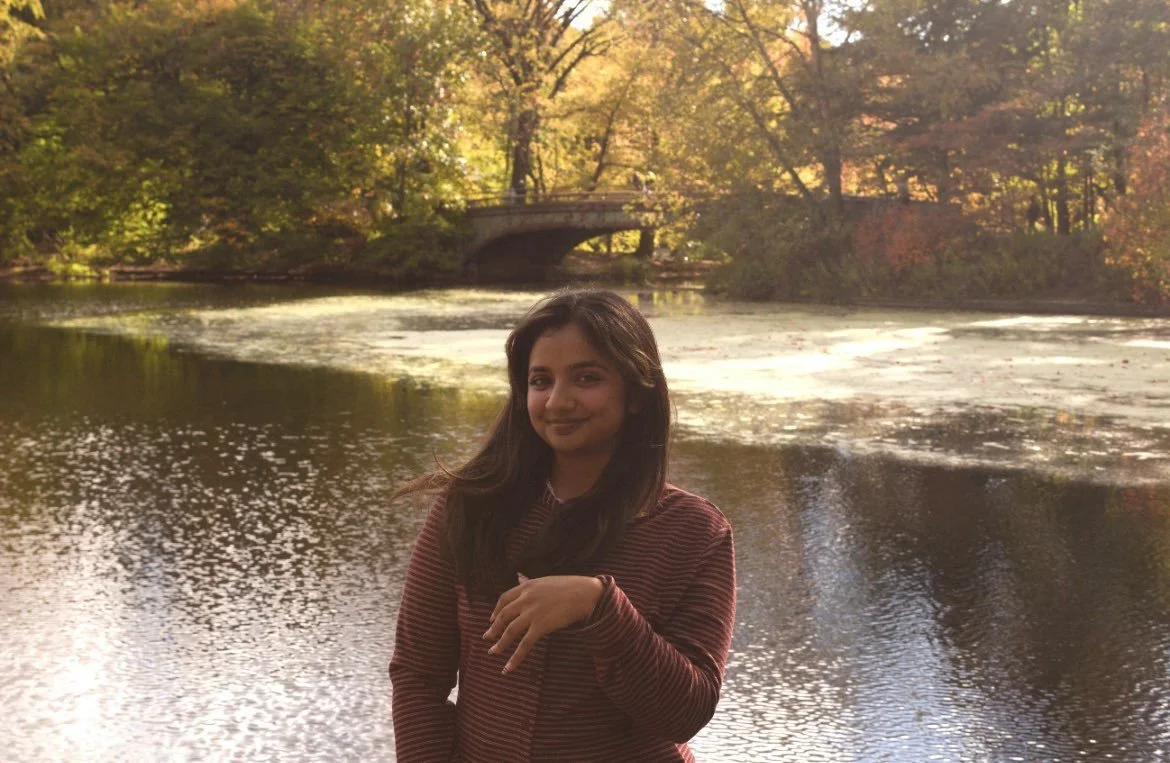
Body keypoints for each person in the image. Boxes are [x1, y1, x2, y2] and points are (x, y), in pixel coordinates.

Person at [389, 289, 736, 762]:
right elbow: (417, 677)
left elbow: (686, 711)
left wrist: (600, 607)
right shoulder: (468, 507)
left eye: (586, 378)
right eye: (540, 380)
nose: (558, 400)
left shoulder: (695, 532)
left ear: (635, 392)